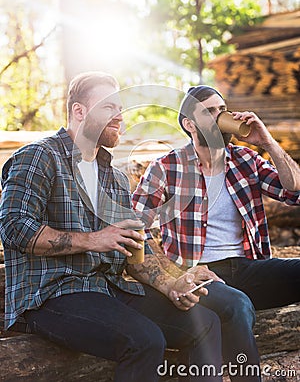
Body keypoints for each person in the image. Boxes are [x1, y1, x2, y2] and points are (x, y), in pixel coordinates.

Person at [0, 73, 225, 382]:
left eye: (120, 108)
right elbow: (14, 227)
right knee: (144, 340)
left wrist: (172, 284)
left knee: (206, 324)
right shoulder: (39, 156)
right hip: (50, 294)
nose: (120, 116)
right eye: (108, 107)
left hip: (107, 289)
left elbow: (137, 248)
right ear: (79, 111)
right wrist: (94, 240)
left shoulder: (115, 177)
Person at [132, 85, 300, 379]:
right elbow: (134, 228)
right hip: (198, 276)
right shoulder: (166, 168)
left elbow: (294, 190)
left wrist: (268, 141)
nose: (220, 116)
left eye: (222, 110)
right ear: (189, 123)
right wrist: (173, 274)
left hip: (249, 269)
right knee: (237, 306)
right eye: (210, 112)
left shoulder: (246, 160)